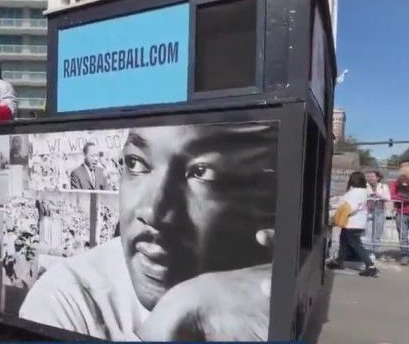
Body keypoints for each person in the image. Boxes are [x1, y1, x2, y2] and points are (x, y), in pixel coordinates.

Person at [19, 123, 278, 341]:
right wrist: (178, 317)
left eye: (201, 172)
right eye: (135, 163)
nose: (153, 211)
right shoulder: (65, 301)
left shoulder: (272, 289)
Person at [327, 172, 379, 277]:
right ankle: (339, 261)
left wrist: (336, 210)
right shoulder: (363, 191)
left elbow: (350, 207)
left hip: (352, 222)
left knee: (355, 244)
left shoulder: (354, 192)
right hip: (357, 222)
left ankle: (371, 266)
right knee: (344, 241)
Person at [364, 171, 391, 261]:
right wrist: (369, 195)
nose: (370, 178)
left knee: (377, 233)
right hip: (368, 211)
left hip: (380, 211)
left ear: (378, 178)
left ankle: (375, 252)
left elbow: (388, 198)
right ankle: (368, 252)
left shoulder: (384, 186)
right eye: (369, 176)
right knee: (368, 232)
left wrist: (379, 195)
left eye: (372, 176)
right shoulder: (365, 186)